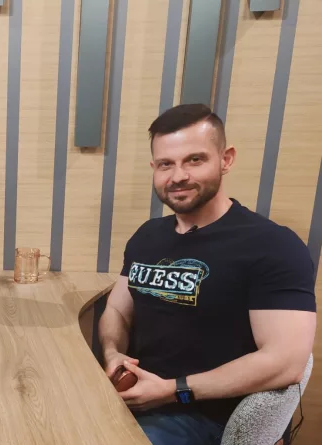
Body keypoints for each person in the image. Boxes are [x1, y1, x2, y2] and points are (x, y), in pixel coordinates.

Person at [98, 104, 317, 445]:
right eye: (166, 164)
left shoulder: (273, 245)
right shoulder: (147, 236)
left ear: (225, 159)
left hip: (204, 414)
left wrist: (172, 391)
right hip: (137, 397)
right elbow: (117, 310)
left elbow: (285, 362)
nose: (178, 176)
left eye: (194, 160)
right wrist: (113, 352)